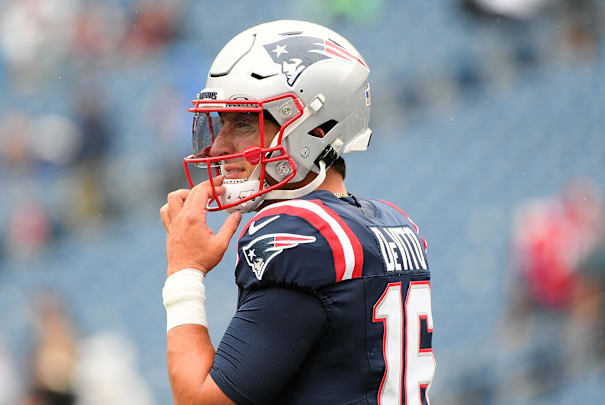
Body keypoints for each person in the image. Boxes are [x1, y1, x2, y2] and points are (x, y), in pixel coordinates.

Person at [159, 20, 435, 404]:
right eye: (221, 124)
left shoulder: (298, 235)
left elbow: (199, 400)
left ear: (317, 129)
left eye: (243, 121)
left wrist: (183, 272)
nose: (219, 147)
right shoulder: (394, 223)